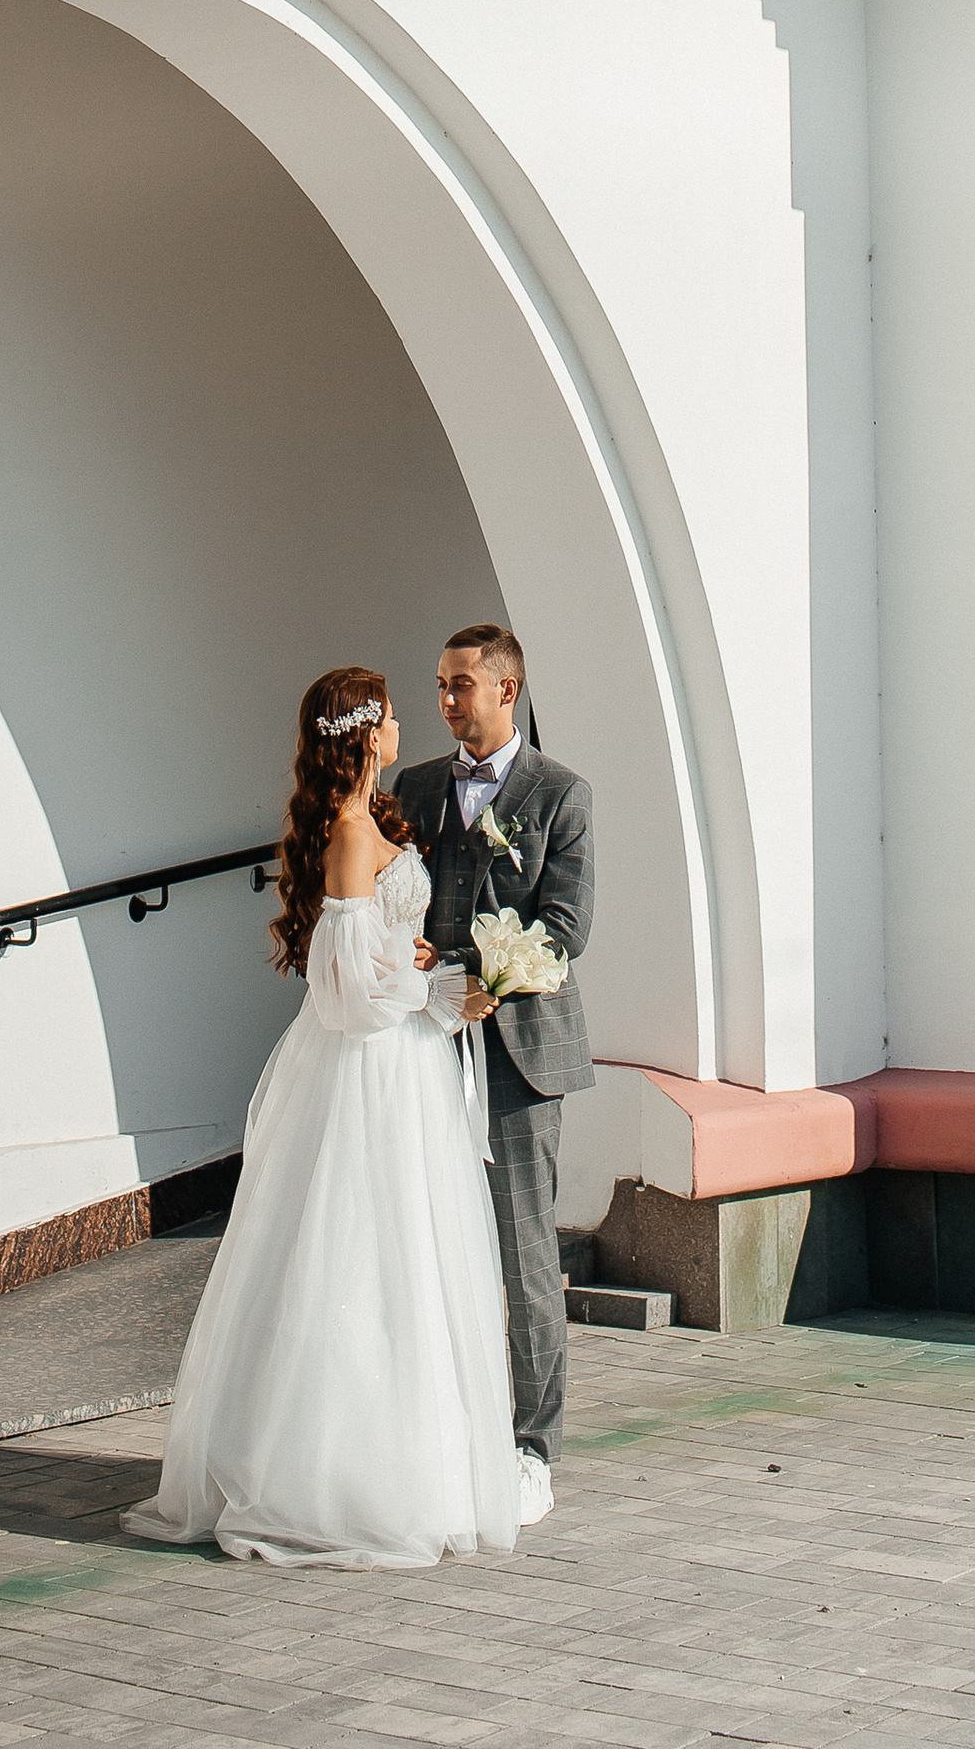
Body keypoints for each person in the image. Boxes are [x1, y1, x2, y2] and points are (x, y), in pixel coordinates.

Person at [123, 666, 522, 1570]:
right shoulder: (348, 831)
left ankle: (417, 1466)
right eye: (388, 716)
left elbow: (368, 948)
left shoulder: (374, 821)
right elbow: (343, 996)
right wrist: (434, 990)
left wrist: (408, 956)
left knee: (410, 1262)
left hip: (399, 1064)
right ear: (364, 731)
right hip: (366, 1073)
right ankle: (334, 1479)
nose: (400, 727)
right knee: (358, 1257)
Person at [393, 624, 594, 1525]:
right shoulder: (417, 788)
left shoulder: (561, 793)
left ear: (506, 690)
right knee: (430, 1242)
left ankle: (532, 1449)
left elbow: (565, 925)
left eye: (461, 685)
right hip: (426, 1044)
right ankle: (446, 1430)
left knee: (523, 1254)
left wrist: (490, 977)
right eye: (439, 684)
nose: (445, 700)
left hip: (521, 1054)